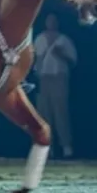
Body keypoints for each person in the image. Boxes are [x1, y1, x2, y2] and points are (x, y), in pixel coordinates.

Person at [32, 12, 77, 158]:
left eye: (54, 20)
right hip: (44, 78)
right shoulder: (40, 39)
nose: (51, 23)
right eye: (49, 20)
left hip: (59, 78)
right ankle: (47, 147)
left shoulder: (64, 40)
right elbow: (35, 59)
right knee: (44, 113)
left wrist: (61, 54)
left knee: (60, 112)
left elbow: (73, 61)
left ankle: (66, 146)